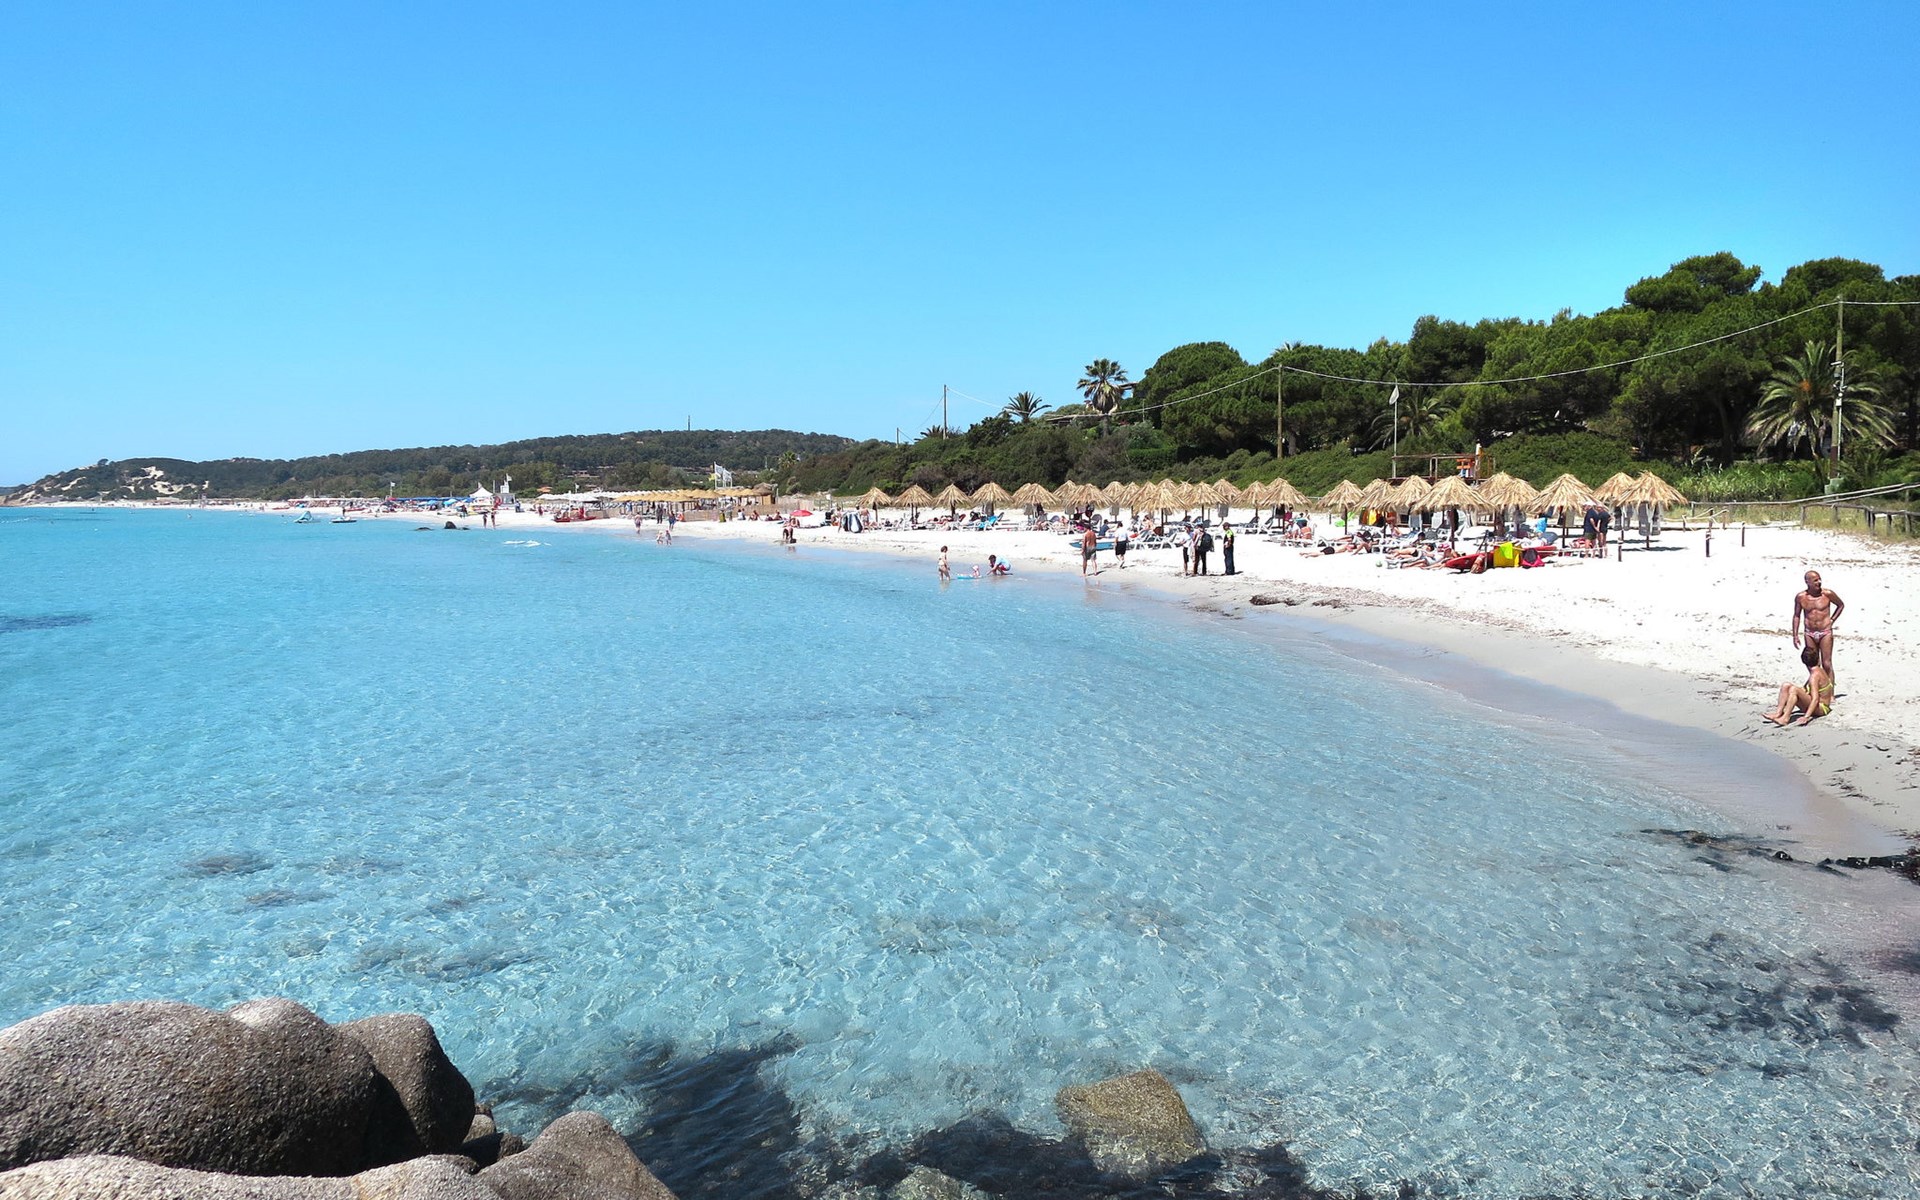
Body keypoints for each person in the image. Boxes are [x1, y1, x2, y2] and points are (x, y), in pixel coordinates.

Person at [1791, 569, 1844, 687]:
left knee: (1827, 663)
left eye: (1819, 579)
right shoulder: (1801, 597)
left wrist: (1832, 620)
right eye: (1815, 580)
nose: (1819, 582)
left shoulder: (1827, 594)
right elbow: (1796, 615)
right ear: (1807, 582)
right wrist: (1795, 635)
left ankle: (1830, 692)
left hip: (1825, 632)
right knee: (1813, 664)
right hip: (1809, 633)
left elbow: (1840, 605)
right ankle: (1817, 688)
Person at [1763, 644, 1834, 727]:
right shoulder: (1817, 670)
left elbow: (1815, 699)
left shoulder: (1814, 676)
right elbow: (1805, 689)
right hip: (1818, 705)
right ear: (1818, 659)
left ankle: (1785, 718)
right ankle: (1778, 713)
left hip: (1822, 708)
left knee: (1794, 690)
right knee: (1786, 686)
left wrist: (1806, 717)